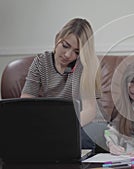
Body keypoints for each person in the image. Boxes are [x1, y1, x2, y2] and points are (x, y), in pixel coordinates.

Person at [20, 18, 108, 152]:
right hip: (54, 124)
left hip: (89, 123)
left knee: (76, 138)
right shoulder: (41, 62)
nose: (68, 55)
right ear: (57, 38)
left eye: (76, 52)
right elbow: (25, 102)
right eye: (65, 46)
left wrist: (63, 127)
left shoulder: (86, 66)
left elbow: (89, 111)